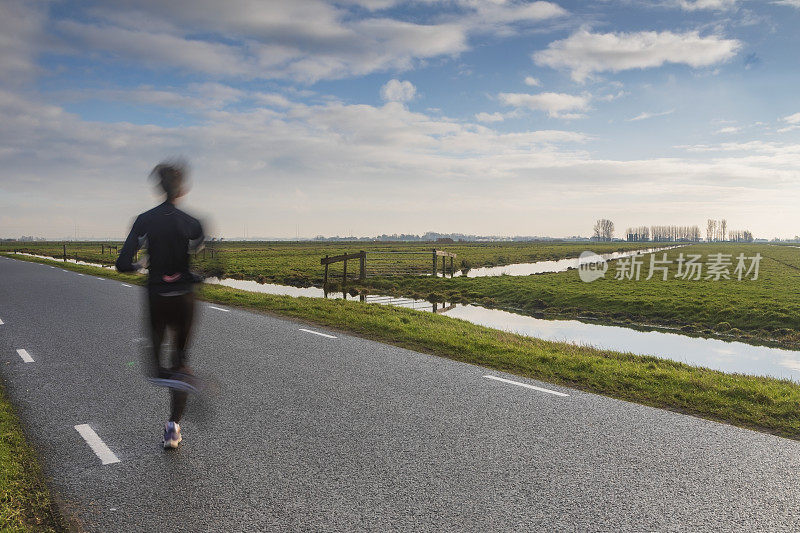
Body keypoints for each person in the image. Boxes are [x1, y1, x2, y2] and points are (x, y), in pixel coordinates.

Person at [116, 160, 204, 449]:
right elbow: (200, 260)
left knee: (155, 368)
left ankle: (180, 378)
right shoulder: (193, 223)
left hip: (157, 297)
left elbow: (122, 265)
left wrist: (140, 263)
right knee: (181, 358)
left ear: (158, 187)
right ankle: (173, 425)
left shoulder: (143, 220)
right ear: (183, 189)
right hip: (185, 298)